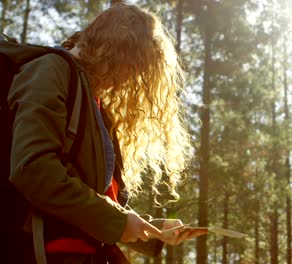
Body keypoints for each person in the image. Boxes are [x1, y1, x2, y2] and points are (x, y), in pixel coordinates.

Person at [7, 3, 206, 263]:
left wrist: (154, 229)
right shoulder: (50, 70)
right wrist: (117, 221)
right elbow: (33, 169)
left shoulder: (93, 101)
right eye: (132, 65)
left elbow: (96, 204)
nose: (130, 79)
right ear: (113, 48)